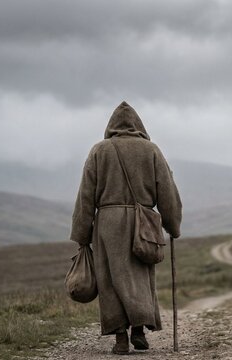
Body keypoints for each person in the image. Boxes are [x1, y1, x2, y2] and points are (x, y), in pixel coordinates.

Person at [70, 101, 182, 355]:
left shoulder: (99, 151)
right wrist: (172, 224)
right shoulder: (151, 150)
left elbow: (85, 196)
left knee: (110, 280)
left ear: (110, 127)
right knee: (140, 276)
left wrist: (82, 235)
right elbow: (167, 191)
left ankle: (120, 337)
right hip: (143, 222)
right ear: (139, 126)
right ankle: (139, 329)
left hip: (107, 224)